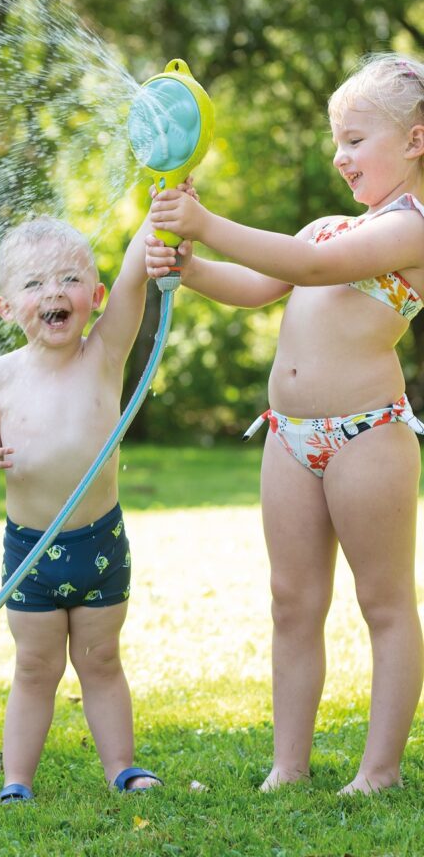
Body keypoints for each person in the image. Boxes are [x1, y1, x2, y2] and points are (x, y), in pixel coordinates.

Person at [145, 52, 424, 795]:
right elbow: (260, 283)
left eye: (356, 139)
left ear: (416, 141)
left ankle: (380, 770)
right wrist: (189, 263)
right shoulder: (330, 227)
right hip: (289, 438)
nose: (340, 156)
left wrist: (206, 220)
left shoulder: (413, 230)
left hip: (367, 435)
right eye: (338, 141)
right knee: (292, 601)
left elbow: (306, 268)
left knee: (385, 602)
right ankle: (287, 766)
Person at [0, 212, 160, 803]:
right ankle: (17, 781)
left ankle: (122, 767)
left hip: (99, 545)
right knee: (35, 667)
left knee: (101, 659)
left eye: (69, 280)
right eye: (34, 285)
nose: (53, 294)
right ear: (6, 307)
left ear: (94, 296)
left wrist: (163, 202)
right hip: (30, 551)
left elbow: (138, 271)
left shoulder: (105, 353)